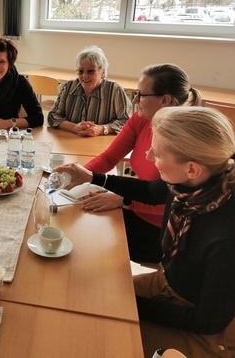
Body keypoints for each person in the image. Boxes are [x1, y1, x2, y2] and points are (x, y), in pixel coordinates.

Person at [56, 106, 235, 357]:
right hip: (173, 285)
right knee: (94, 298)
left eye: (158, 152)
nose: (149, 155)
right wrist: (93, 177)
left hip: (211, 330)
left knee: (107, 339)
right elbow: (151, 192)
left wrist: (131, 307)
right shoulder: (193, 183)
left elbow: (208, 321)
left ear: (192, 168)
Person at [84, 64, 202, 262]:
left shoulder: (185, 142)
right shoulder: (141, 119)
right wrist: (81, 173)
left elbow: (171, 202)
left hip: (162, 230)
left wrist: (125, 201)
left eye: (140, 95)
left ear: (165, 100)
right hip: (138, 207)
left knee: (93, 243)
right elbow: (108, 158)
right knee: (86, 221)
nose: (135, 101)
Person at [48, 45, 131, 136]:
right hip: (71, 142)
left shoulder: (115, 90)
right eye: (80, 71)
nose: (84, 76)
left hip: (101, 145)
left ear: (102, 72)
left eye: (90, 71)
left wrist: (102, 129)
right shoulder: (69, 87)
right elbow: (53, 116)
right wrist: (74, 127)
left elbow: (127, 121)